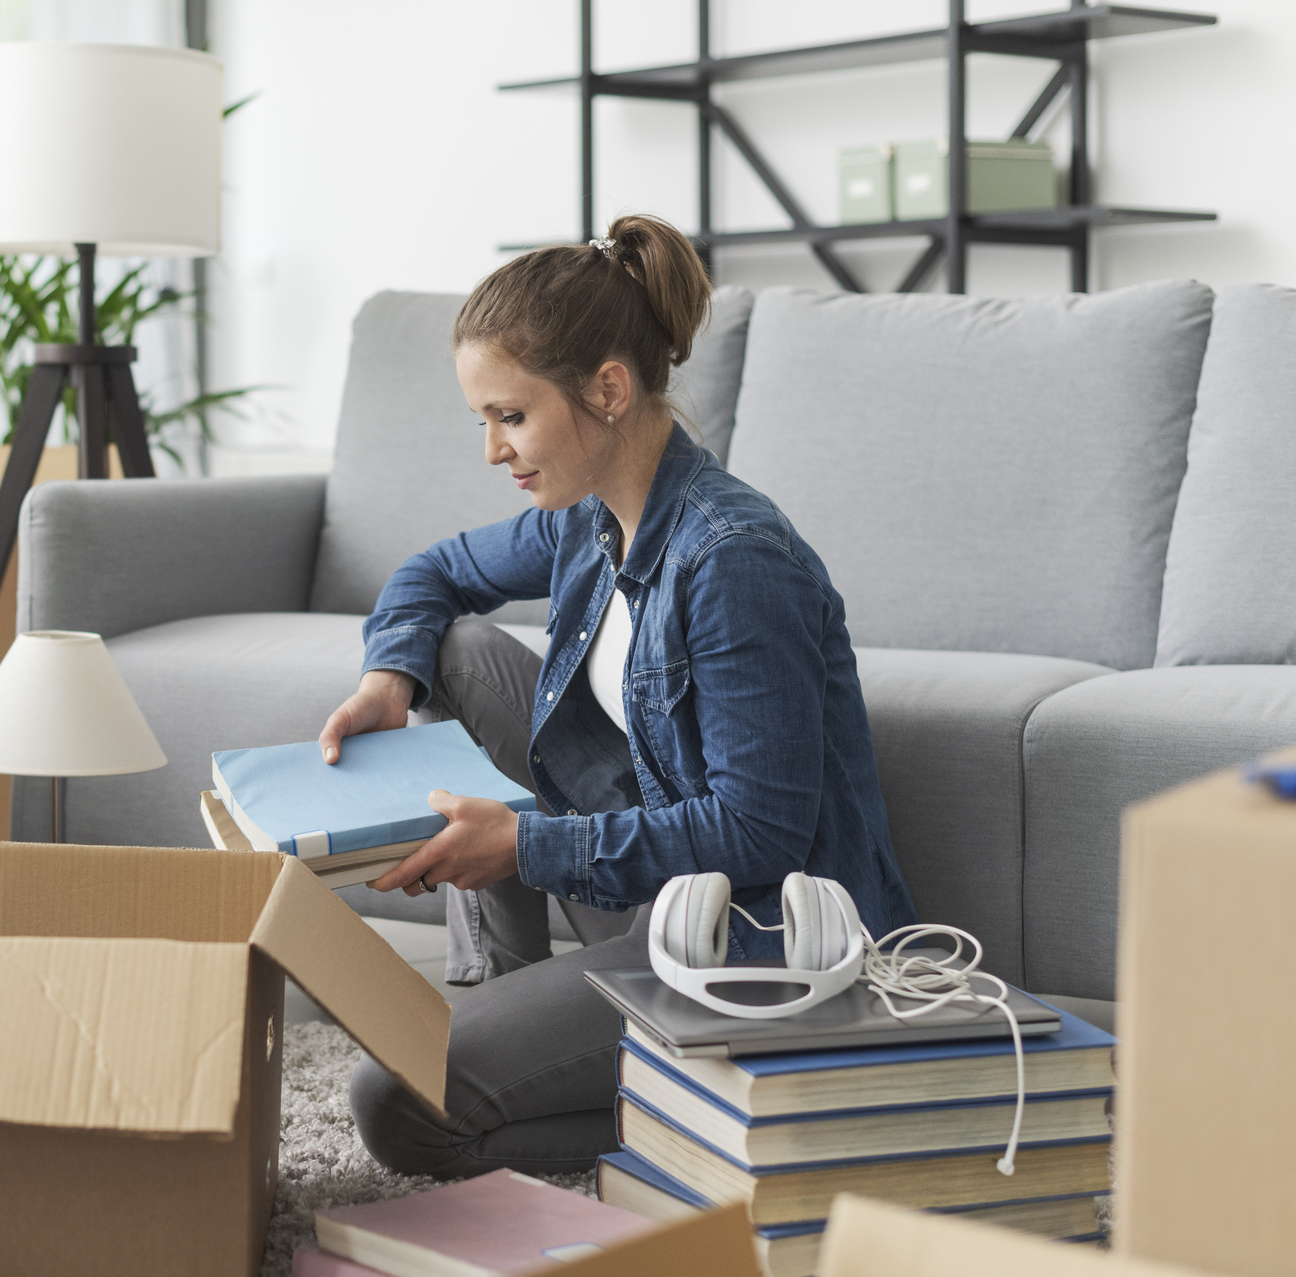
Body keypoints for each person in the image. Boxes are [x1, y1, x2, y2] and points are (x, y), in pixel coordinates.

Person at [321, 214, 918, 1179]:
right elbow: (430, 575)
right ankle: (510, 994)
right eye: (482, 420)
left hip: (757, 941)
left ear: (608, 388)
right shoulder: (586, 517)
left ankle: (771, 1112)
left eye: (510, 417)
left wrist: (522, 843)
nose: (492, 450)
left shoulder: (732, 559)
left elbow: (760, 833)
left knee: (396, 1101)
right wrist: (388, 679)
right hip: (658, 898)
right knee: (459, 647)